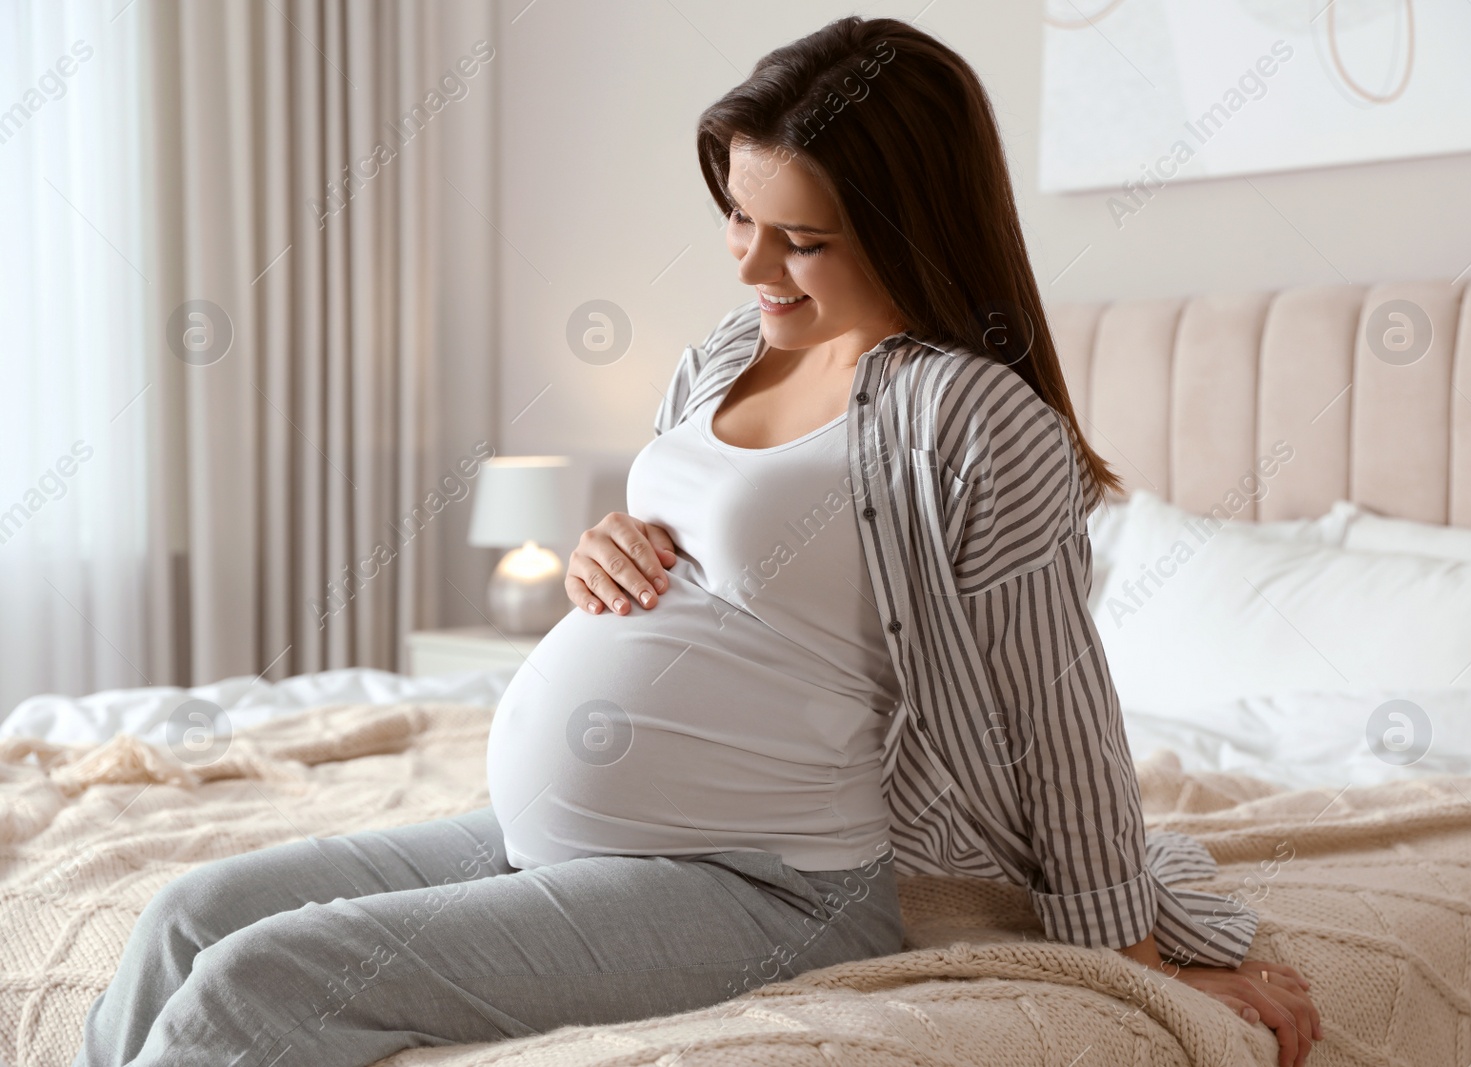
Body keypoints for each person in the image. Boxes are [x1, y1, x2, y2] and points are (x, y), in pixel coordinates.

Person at [74, 15, 1321, 1067]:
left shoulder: (969, 414)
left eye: (802, 238)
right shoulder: (725, 356)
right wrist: (602, 549)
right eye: (737, 216)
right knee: (188, 913)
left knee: (257, 981)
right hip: (549, 833)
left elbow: (1055, 703)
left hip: (766, 883)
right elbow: (723, 570)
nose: (751, 264)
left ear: (913, 218)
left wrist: (1140, 961)